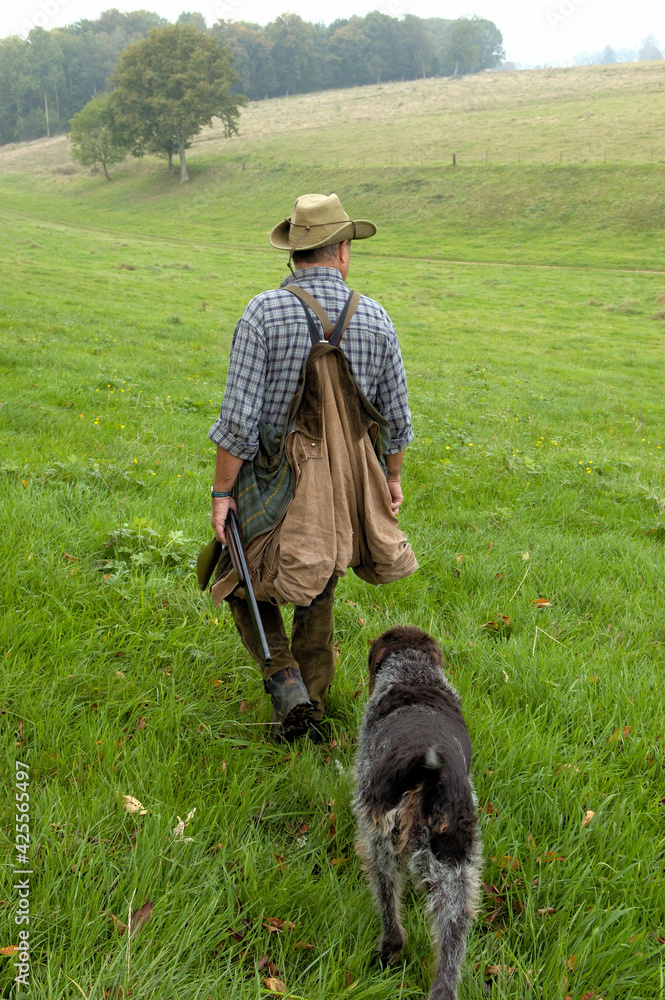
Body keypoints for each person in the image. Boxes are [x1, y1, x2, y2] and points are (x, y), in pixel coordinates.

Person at [208, 193, 415, 742]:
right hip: (346, 484)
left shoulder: (262, 311)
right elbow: (397, 418)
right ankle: (312, 703)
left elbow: (237, 421)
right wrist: (389, 479)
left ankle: (284, 680)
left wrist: (221, 494)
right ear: (342, 251)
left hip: (272, 477)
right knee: (320, 581)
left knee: (236, 573)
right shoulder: (374, 317)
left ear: (297, 253)